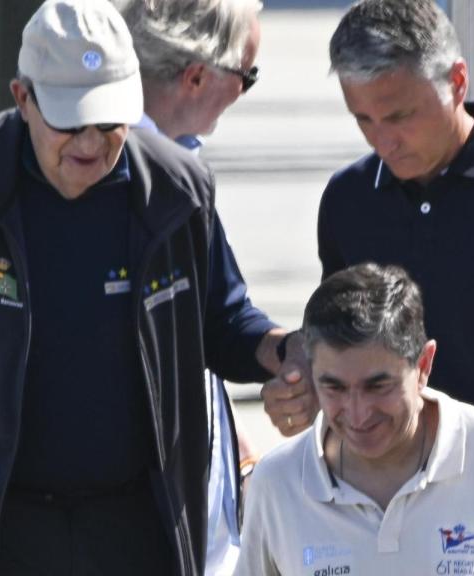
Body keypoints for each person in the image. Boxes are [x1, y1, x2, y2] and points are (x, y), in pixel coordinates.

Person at [0, 0, 299, 573]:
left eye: (110, 121)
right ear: (22, 98)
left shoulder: (177, 187)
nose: (90, 143)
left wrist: (288, 350)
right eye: (70, 122)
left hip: (138, 525)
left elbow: (223, 319)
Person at [262, 0, 474, 528]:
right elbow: (338, 341)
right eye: (363, 119)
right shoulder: (348, 199)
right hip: (387, 519)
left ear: (457, 82)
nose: (382, 139)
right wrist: (299, 379)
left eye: (399, 115)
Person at [237, 263, 474, 575]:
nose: (358, 412)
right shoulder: (278, 481)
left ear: (423, 366)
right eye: (334, 387)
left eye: (378, 386)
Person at [116, 1, 308, 573]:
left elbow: (216, 317)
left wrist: (282, 352)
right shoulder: (122, 174)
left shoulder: (181, 170)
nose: (246, 92)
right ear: (198, 76)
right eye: (248, 77)